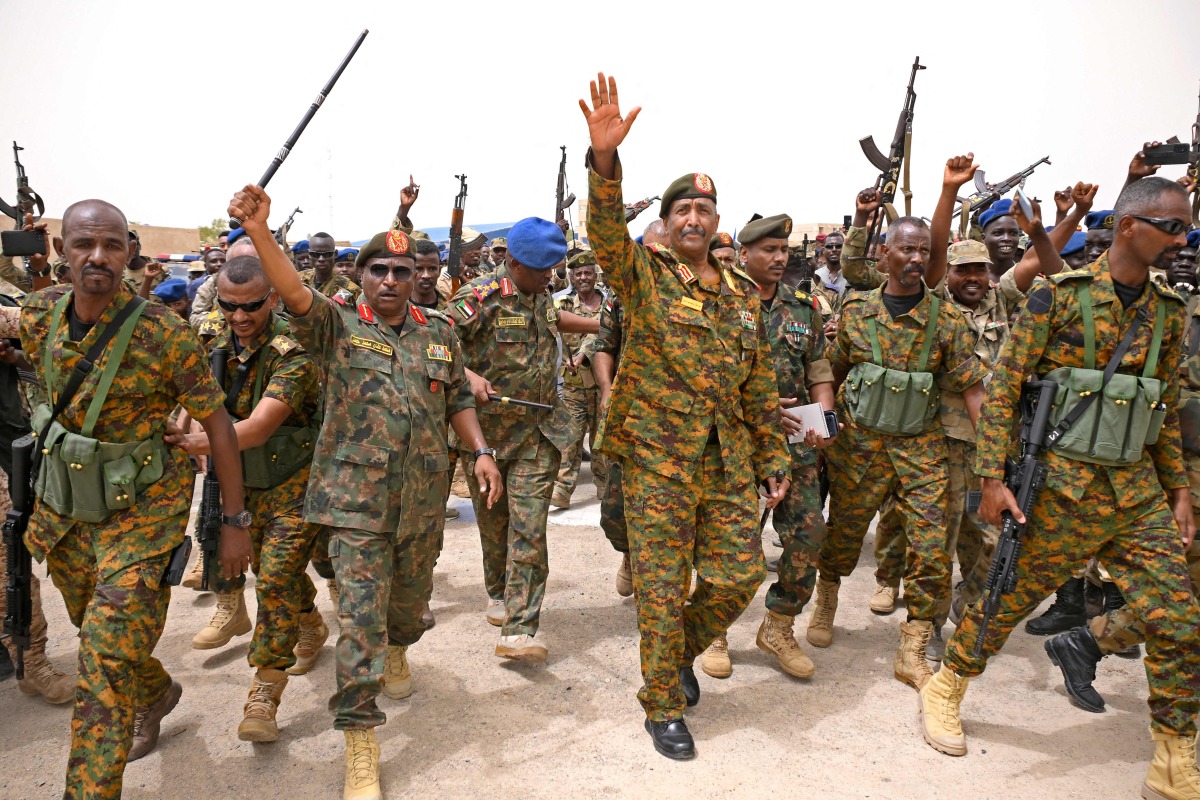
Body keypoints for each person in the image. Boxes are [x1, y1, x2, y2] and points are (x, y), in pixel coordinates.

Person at [920, 178, 1200, 800]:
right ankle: (948, 684)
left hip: (1137, 495)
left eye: (1187, 230)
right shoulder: (1058, 297)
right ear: (1130, 226)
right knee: (1003, 601)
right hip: (1062, 490)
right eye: (1173, 227)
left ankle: (1175, 753)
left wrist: (1178, 493)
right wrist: (993, 479)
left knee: (1179, 621)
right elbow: (1003, 394)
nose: (1183, 240)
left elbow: (1163, 409)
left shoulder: (1169, 311)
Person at [229, 184, 502, 800]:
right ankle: (359, 741)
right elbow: (295, 293)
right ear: (362, 275)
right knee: (358, 621)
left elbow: (457, 394)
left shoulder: (439, 334)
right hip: (354, 504)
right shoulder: (336, 326)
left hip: (423, 502)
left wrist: (481, 451)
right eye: (378, 268)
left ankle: (400, 646)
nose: (390, 279)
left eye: (401, 271)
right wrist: (263, 231)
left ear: (415, 278)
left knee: (405, 609)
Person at [580, 73, 791, 760]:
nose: (695, 219)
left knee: (737, 577)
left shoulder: (742, 294)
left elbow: (759, 385)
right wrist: (606, 162)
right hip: (657, 463)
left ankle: (675, 657)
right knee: (663, 589)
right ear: (668, 223)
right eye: (683, 210)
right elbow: (605, 233)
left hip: (726, 457)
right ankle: (663, 704)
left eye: (705, 208)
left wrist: (774, 458)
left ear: (716, 220)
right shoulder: (642, 274)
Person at [20, 199, 250, 796]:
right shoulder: (37, 317)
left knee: (102, 665)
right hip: (67, 511)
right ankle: (157, 691)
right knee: (99, 634)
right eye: (82, 245)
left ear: (130, 254)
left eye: (112, 245)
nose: (97, 257)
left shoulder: (161, 333)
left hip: (143, 515)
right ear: (59, 251)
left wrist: (232, 520)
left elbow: (218, 425)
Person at [809, 185, 988, 692]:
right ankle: (826, 601)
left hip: (922, 449)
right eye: (906, 250)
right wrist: (822, 426)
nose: (915, 259)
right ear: (884, 254)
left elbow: (973, 390)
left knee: (932, 549)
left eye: (924, 252)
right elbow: (833, 370)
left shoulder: (947, 320)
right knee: (842, 533)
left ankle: (913, 645)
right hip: (859, 446)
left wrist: (996, 459)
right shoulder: (858, 309)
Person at [164, 254, 324, 742]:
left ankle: (264, 691)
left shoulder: (295, 352)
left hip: (294, 481)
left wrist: (195, 443)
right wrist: (188, 428)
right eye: (229, 307)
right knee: (268, 572)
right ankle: (311, 622)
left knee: (274, 576)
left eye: (250, 307)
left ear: (272, 298)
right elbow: (196, 397)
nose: (239, 318)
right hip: (241, 482)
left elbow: (255, 428)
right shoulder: (213, 338)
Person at [447, 216, 598, 662]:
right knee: (494, 527)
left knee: (529, 529)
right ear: (512, 262)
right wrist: (469, 375)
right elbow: (433, 340)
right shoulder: (479, 299)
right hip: (487, 439)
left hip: (537, 432)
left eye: (552, 269)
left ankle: (520, 628)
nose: (548, 277)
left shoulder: (539, 294)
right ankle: (498, 592)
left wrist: (598, 328)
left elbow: (554, 317)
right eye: (539, 269)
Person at [699, 213, 835, 681]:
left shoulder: (803, 310)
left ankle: (778, 626)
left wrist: (826, 421)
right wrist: (756, 407)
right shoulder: (719, 302)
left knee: (807, 535)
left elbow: (819, 370)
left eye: (784, 251)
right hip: (735, 445)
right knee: (729, 542)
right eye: (769, 251)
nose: (779, 259)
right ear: (746, 253)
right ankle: (714, 628)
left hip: (796, 446)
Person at [552, 250, 606, 509]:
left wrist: (584, 353)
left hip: (604, 382)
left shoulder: (609, 303)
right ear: (571, 277)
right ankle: (562, 490)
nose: (583, 277)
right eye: (578, 273)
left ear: (595, 275)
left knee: (602, 437)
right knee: (571, 437)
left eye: (588, 273)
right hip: (573, 384)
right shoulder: (561, 305)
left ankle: (605, 485)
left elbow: (599, 335)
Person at [303, 232, 359, 302]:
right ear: (309, 254)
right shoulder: (298, 280)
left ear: (335, 254)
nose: (321, 259)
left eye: (327, 254)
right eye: (315, 254)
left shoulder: (351, 290)